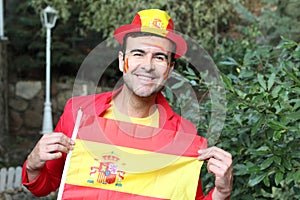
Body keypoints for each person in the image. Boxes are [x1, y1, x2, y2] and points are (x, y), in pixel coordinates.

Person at [22, 9, 233, 199]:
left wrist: (221, 192)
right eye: (138, 54)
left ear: (169, 70)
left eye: (159, 57)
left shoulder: (184, 134)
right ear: (123, 61)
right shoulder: (79, 112)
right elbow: (45, 186)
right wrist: (33, 163)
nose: (148, 66)